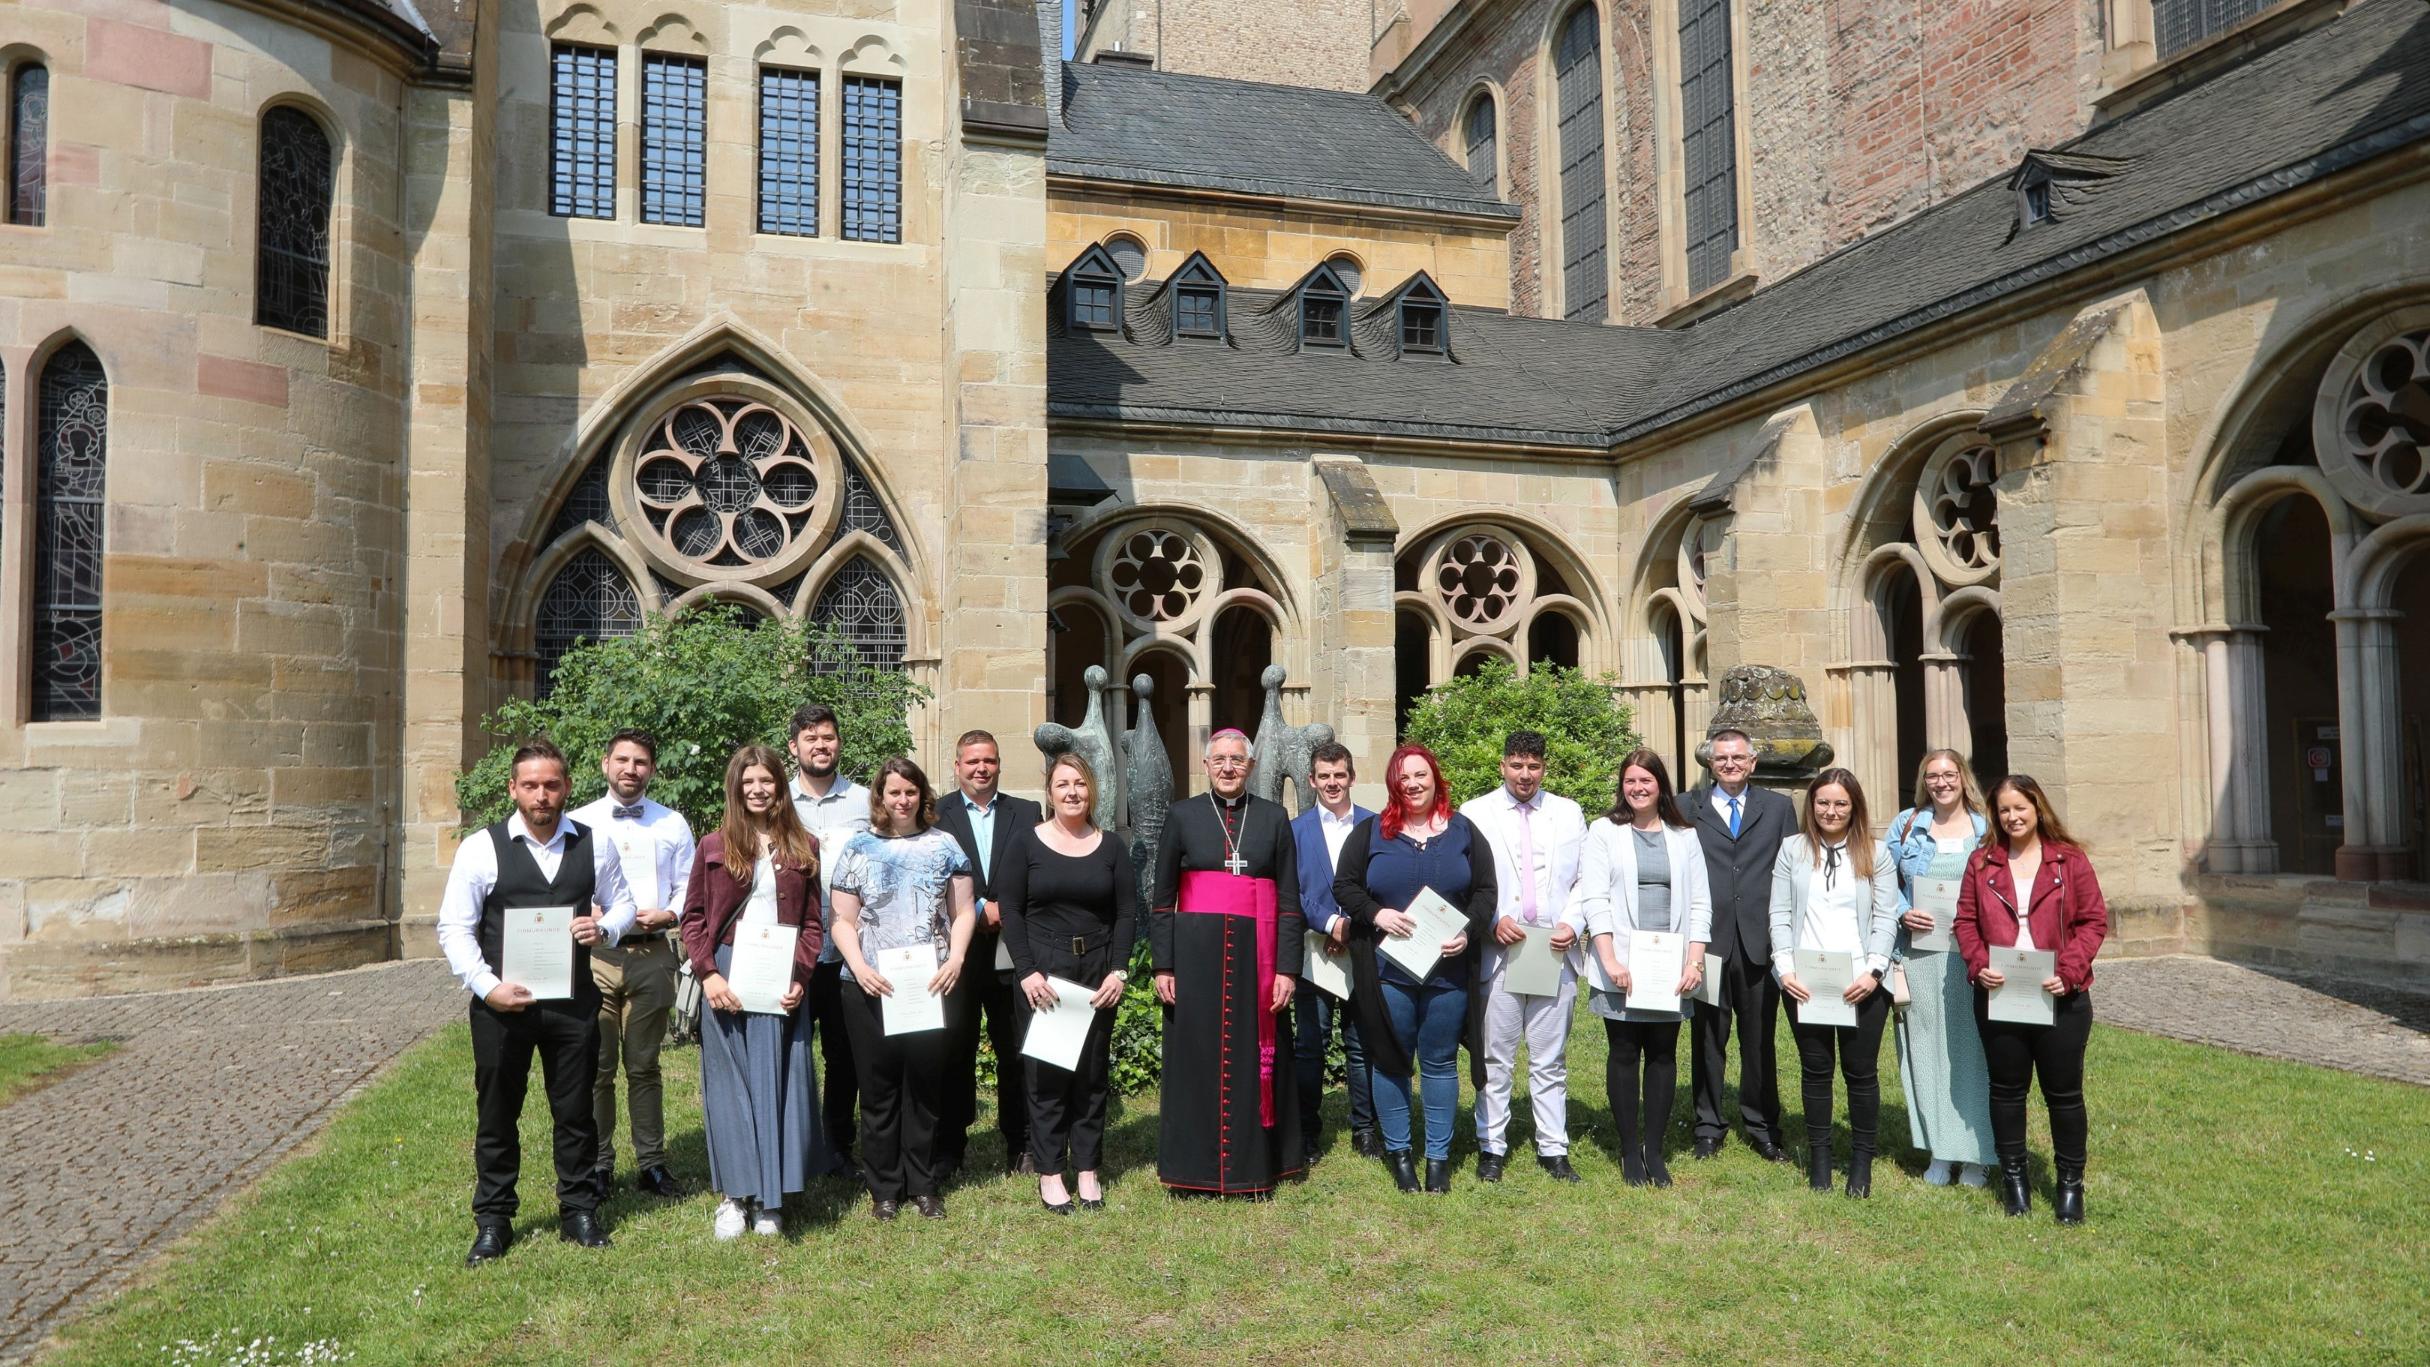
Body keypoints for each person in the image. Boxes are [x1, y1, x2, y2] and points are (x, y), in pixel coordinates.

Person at [436, 740, 637, 1266]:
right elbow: (454, 929)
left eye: (551, 785)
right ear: (513, 789)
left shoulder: (595, 844)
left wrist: (606, 927)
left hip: (573, 1003)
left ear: (567, 787)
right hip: (503, 1008)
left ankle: (579, 1211)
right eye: (531, 785)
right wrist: (487, 986)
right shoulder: (481, 848)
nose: (542, 795)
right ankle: (494, 1221)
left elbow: (625, 906)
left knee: (575, 1113)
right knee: (498, 1113)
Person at [1148, 728, 1306, 1198]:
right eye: (1220, 759)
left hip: (1257, 961)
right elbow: (1161, 900)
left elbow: (1291, 903)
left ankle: (1257, 1167)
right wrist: (1164, 965)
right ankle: (1191, 1170)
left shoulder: (1275, 818)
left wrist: (1286, 969)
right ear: (1206, 764)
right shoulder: (1182, 816)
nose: (1228, 767)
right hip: (1195, 961)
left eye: (1237, 759)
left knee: (1254, 1059)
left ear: (1251, 766)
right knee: (1195, 1059)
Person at [1334, 743, 1497, 1195]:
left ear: (1435, 777)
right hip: (1390, 971)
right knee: (1391, 1061)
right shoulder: (1370, 833)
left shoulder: (1464, 832)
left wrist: (1469, 930)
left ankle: (1438, 1160)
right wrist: (1375, 914)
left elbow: (1486, 891)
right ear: (1394, 783)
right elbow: (1344, 885)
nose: (1413, 783)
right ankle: (1401, 1153)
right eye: (1404, 777)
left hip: (1447, 972)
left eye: (1420, 774)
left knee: (1441, 1063)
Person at [681, 745, 824, 1239]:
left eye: (767, 781)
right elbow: (693, 920)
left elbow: (812, 924)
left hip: (780, 976)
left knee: (776, 1083)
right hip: (727, 972)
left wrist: (800, 978)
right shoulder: (713, 846)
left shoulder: (804, 845)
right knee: (728, 1086)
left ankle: (771, 1199)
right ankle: (733, 1198)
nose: (758, 790)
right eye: (749, 783)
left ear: (780, 787)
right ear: (736, 789)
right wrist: (709, 975)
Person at [1954, 774, 2108, 1224]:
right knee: (2006, 1091)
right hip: (2000, 994)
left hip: (2060, 996)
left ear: (2037, 808)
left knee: (2063, 1095)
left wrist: (2069, 971)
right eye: (2003, 810)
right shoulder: (1982, 863)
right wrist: (1978, 962)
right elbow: (1965, 921)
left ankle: (2069, 1186)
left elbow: (2093, 921)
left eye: (2020, 808)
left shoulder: (2069, 860)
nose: (2012, 817)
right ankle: (2015, 1181)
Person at [828, 758, 977, 1220]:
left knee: (924, 1088)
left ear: (922, 795)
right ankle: (884, 1189)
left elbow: (965, 911)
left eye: (910, 791)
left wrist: (955, 958)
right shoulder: (857, 848)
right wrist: (859, 966)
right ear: (880, 797)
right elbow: (842, 921)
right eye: (894, 792)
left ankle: (923, 1183)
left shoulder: (945, 846)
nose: (902, 800)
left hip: (929, 984)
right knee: (878, 1091)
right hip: (869, 987)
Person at [997, 752, 1138, 1213]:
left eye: (1079, 783)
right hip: (1045, 971)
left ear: (1091, 789)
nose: (1072, 792)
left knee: (1091, 1077)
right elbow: (1011, 911)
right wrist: (1026, 971)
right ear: (1050, 792)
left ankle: (1088, 1170)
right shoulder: (1026, 843)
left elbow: (1125, 913)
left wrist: (1119, 969)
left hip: (1096, 971)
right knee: (1046, 1076)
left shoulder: (1112, 846)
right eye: (1062, 784)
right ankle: (1051, 1172)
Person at [568, 729, 693, 1201]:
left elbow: (689, 886)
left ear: (652, 770)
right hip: (594, 956)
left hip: (651, 953)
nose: (631, 769)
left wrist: (672, 913)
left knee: (644, 1066)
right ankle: (599, 1165)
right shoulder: (578, 822)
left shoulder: (672, 824)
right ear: (605, 765)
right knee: (597, 1068)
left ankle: (652, 1163)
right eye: (622, 760)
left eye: (641, 762)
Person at [1457, 730, 1587, 1184]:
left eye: (1533, 766)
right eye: (1516, 764)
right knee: (1496, 1059)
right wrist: (1491, 920)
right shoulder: (1475, 813)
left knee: (1550, 1059)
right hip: (1502, 951)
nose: (1525, 774)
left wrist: (1574, 922)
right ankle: (1492, 1146)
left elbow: (1585, 880)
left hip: (1553, 950)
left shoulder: (1568, 813)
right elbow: (1464, 881)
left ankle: (1553, 1148)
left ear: (1543, 768)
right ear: (1502, 766)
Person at [1576, 749, 1711, 1188]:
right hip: (1622, 964)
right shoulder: (1603, 832)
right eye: (1630, 781)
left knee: (1663, 1052)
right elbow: (1594, 899)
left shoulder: (1684, 836)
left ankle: (1655, 1149)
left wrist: (1695, 961)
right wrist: (1609, 959)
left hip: (1670, 967)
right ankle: (1629, 1150)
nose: (1637, 788)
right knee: (1623, 1052)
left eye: (1646, 781)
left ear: (1660, 786)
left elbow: (1699, 903)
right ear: (1622, 786)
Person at [1769, 767, 1901, 1198]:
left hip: (1862, 979)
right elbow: (1780, 913)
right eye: (1823, 802)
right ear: (1812, 806)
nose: (1831, 810)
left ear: (1854, 807)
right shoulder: (1792, 850)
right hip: (1805, 980)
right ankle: (1821, 1161)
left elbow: (1885, 917)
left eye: (1840, 803)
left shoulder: (1876, 854)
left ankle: (1861, 1164)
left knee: (1861, 1074)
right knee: (1816, 1070)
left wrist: (1875, 971)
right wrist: (1785, 969)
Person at [1883, 749, 1998, 1189]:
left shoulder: (1985, 828)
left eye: (1949, 774)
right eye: (1933, 775)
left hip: (1971, 959)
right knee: (1925, 1052)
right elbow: (1882, 880)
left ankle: (1975, 1154)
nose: (1941, 782)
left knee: (1972, 1055)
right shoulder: (1909, 825)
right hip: (1921, 956)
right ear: (1923, 781)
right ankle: (1938, 1150)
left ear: (1963, 777)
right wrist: (1902, 911)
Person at [933, 729, 1043, 1177]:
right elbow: (929, 873)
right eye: (973, 761)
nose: (982, 768)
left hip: (1011, 951)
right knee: (952, 1049)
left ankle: (1021, 1144)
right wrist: (976, 907)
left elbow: (1038, 869)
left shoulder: (1027, 812)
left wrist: (1005, 910)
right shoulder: (936, 814)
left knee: (1015, 1049)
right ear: (957, 766)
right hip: (954, 954)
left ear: (999, 765)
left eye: (990, 761)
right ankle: (949, 1149)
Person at [1685, 727, 1796, 1162]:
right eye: (1721, 759)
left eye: (1737, 758)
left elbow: (1792, 870)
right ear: (1710, 764)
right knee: (1708, 1039)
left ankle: (1763, 1124)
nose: (1729, 765)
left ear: (1752, 762)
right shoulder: (1686, 806)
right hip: (1707, 943)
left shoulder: (1778, 808)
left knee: (1759, 1039)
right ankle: (1708, 1125)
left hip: (1759, 941)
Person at [788, 704, 871, 1179]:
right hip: (791, 950)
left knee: (844, 1054)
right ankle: (794, 1146)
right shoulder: (777, 800)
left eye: (828, 737)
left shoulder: (864, 801)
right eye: (811, 738)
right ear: (794, 747)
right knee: (790, 1049)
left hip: (848, 952)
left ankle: (838, 1146)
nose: (821, 745)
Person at [1288, 741, 1376, 1163]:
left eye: (1340, 775)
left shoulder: (1376, 827)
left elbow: (1382, 889)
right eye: (1324, 776)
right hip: (1314, 950)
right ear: (1312, 781)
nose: (1332, 783)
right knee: (1311, 1044)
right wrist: (1330, 923)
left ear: (1352, 777)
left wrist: (1352, 925)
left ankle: (1365, 1130)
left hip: (1362, 949)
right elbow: (1293, 892)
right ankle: (1306, 1132)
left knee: (1361, 1046)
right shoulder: (1295, 830)